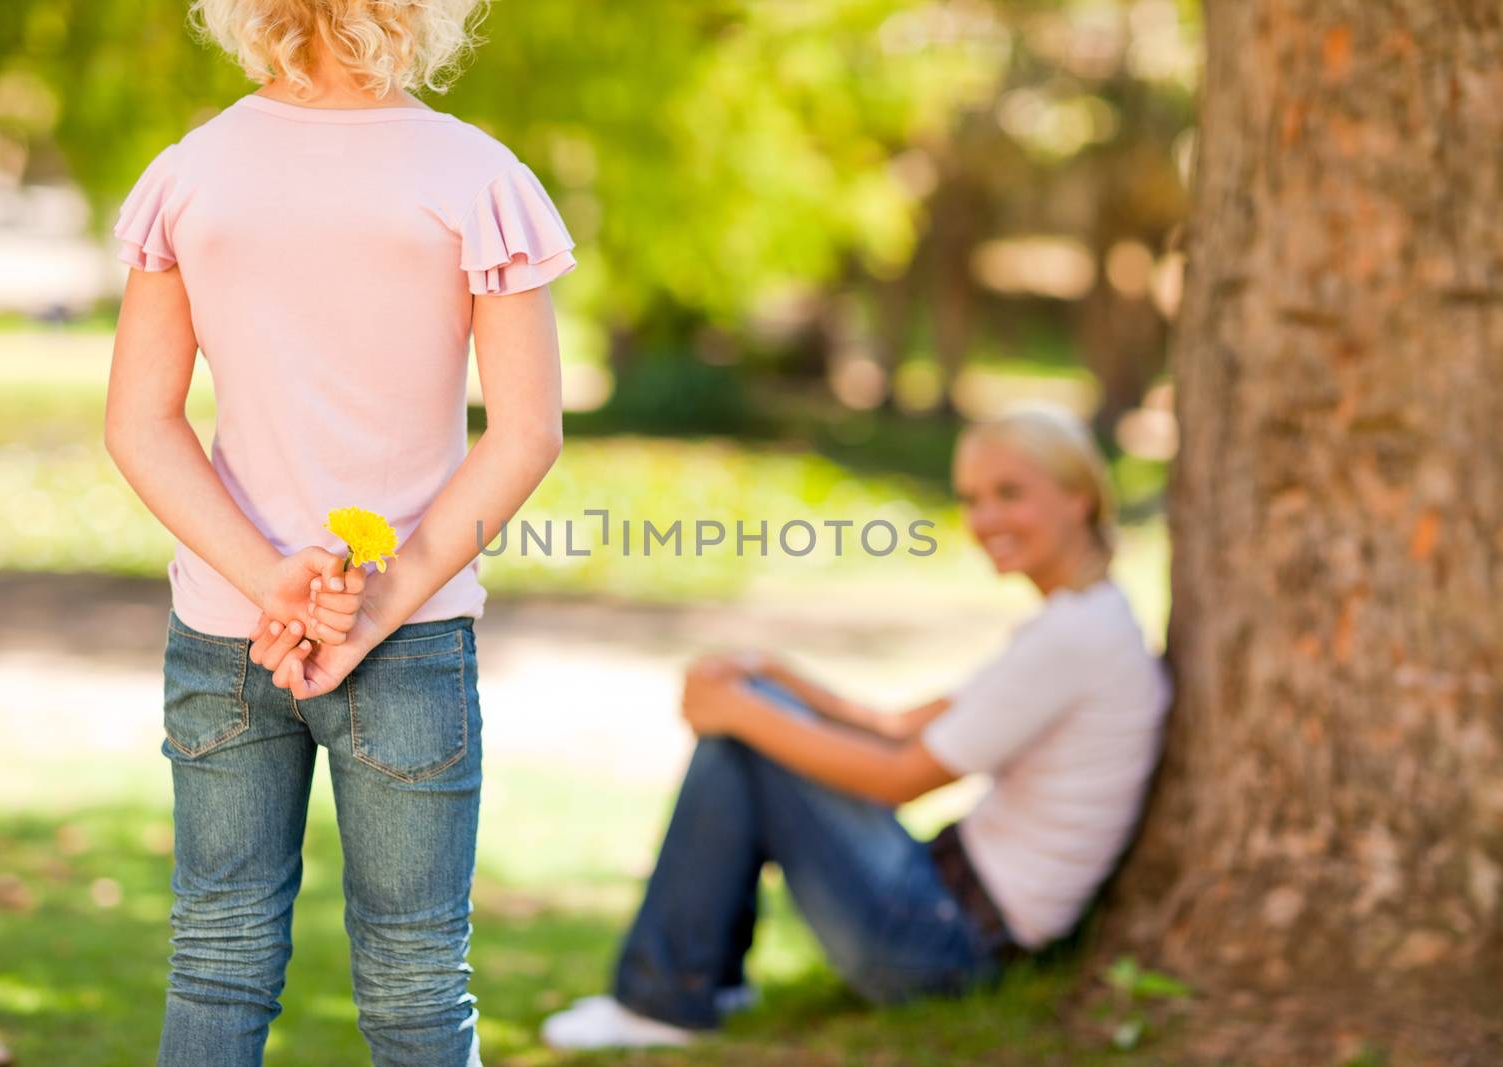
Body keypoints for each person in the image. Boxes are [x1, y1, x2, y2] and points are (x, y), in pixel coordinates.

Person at [103, 1, 575, 1063]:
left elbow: (138, 421)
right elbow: (528, 432)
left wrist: (269, 579)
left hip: (229, 632)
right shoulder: (478, 178)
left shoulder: (194, 171)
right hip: (407, 640)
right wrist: (378, 603)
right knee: (416, 983)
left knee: (215, 965)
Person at [541, 407, 1172, 1049]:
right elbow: (897, 727)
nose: (985, 520)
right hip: (943, 905)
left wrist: (739, 711)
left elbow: (899, 778)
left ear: (1080, 496)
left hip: (941, 947)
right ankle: (690, 984)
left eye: (1010, 494)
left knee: (746, 737)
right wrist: (774, 680)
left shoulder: (1074, 638)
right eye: (972, 499)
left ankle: (666, 997)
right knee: (751, 721)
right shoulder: (1086, 619)